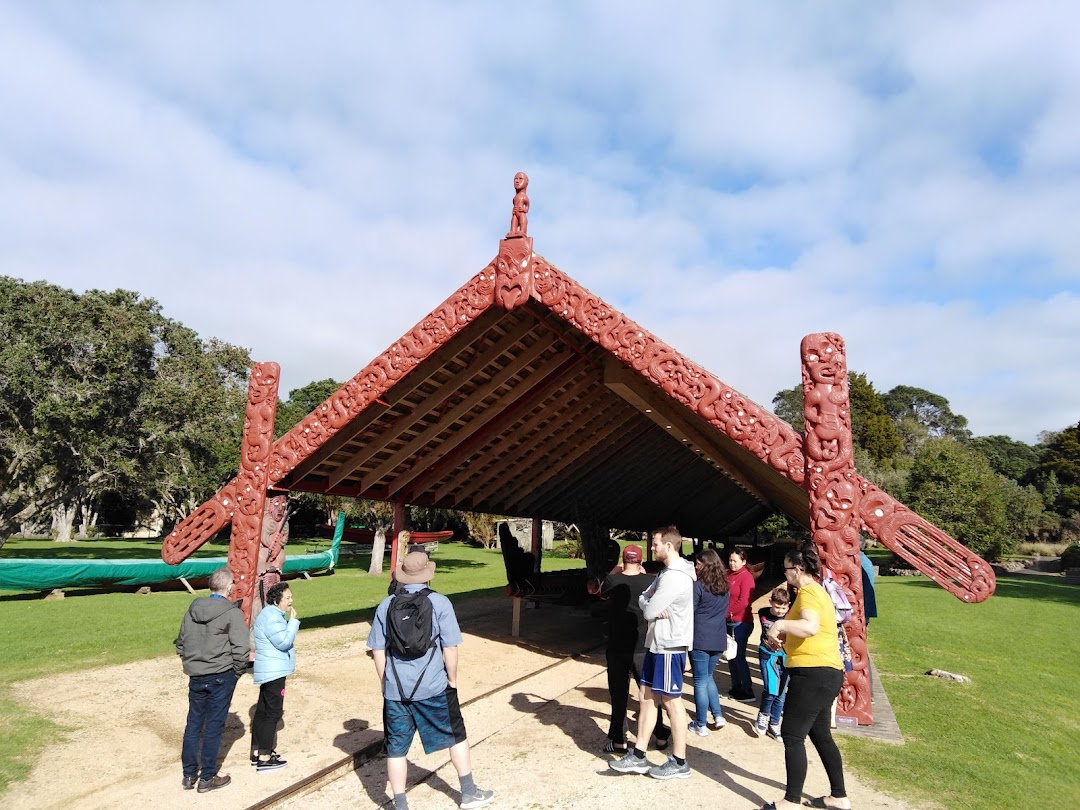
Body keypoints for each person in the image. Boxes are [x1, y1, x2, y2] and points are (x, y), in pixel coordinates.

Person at [368, 550, 495, 810]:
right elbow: (450, 648)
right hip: (434, 685)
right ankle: (468, 793)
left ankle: (400, 803)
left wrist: (384, 681)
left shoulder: (385, 605)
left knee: (396, 749)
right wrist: (452, 678)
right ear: (428, 574)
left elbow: (378, 650)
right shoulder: (440, 603)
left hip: (396, 691)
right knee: (456, 736)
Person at [762, 542, 850, 810]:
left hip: (813, 674)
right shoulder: (813, 592)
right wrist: (785, 638)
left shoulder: (810, 593)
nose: (784, 573)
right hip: (826, 673)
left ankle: (790, 801)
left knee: (791, 734)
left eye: (786, 568)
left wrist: (780, 623)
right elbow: (812, 631)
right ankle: (839, 797)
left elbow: (810, 626)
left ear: (798, 569)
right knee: (821, 734)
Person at [610, 526, 696, 780]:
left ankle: (679, 761)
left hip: (669, 646)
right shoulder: (663, 574)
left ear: (669, 546)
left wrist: (650, 605)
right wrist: (651, 603)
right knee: (646, 697)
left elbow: (646, 610)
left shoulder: (674, 577)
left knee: (671, 701)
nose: (652, 547)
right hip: (655, 644)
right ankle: (638, 756)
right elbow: (644, 599)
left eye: (656, 543)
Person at [175, 567, 250, 793]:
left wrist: (192, 662)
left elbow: (180, 642)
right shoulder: (231, 612)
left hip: (196, 674)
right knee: (214, 727)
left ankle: (189, 775)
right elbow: (242, 648)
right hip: (220, 674)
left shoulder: (192, 610)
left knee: (194, 724)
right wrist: (236, 672)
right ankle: (207, 778)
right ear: (229, 588)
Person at [601, 544, 669, 753]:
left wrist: (616, 570)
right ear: (640, 562)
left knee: (618, 695)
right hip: (642, 646)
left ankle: (618, 739)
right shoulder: (650, 581)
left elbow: (602, 591)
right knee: (649, 695)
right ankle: (659, 735)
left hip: (617, 647)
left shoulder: (613, 580)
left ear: (623, 561)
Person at [250, 581, 300, 772]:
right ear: (277, 599)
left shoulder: (271, 614)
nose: (291, 601)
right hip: (274, 671)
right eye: (287, 598)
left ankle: (257, 752)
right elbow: (284, 642)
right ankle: (264, 757)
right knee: (272, 713)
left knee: (262, 711)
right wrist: (293, 623)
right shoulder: (272, 617)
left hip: (270, 669)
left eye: (291, 597)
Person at [687, 549, 730, 737]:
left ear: (706, 566)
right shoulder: (725, 587)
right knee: (708, 677)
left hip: (700, 639)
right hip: (719, 639)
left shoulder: (697, 587)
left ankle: (701, 723)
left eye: (698, 564)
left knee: (699, 681)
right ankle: (718, 715)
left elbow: (690, 611)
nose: (696, 566)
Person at [755, 586, 791, 739]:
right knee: (771, 689)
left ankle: (775, 723)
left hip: (785, 657)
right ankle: (763, 715)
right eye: (777, 606)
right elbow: (766, 625)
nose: (780, 610)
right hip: (768, 655)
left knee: (781, 692)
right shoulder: (763, 613)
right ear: (771, 603)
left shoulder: (790, 617)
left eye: (784, 607)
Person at [726, 548, 756, 703]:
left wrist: (727, 613)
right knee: (731, 656)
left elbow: (744, 602)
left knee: (739, 656)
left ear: (743, 562)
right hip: (729, 621)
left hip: (741, 622)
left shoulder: (746, 577)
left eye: (735, 561)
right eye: (730, 560)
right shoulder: (729, 575)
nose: (732, 563)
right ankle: (736, 686)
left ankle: (747, 689)